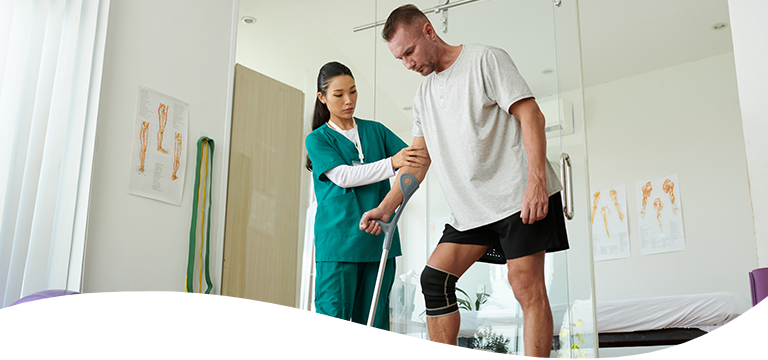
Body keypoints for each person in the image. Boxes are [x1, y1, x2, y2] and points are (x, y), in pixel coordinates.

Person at [359, 5, 569, 360]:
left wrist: (535, 181)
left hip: (518, 195)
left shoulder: (485, 60)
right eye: (400, 59)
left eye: (409, 52)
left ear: (428, 31)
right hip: (472, 210)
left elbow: (530, 113)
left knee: (525, 286)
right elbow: (418, 159)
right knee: (434, 281)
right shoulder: (423, 96)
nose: (407, 64)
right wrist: (385, 206)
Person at [305, 61, 429, 360]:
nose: (348, 101)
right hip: (338, 244)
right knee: (332, 322)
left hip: (378, 241)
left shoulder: (376, 131)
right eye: (338, 95)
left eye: (353, 92)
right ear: (322, 97)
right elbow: (343, 175)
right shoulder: (318, 139)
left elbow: (415, 161)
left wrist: (388, 204)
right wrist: (391, 163)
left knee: (373, 325)